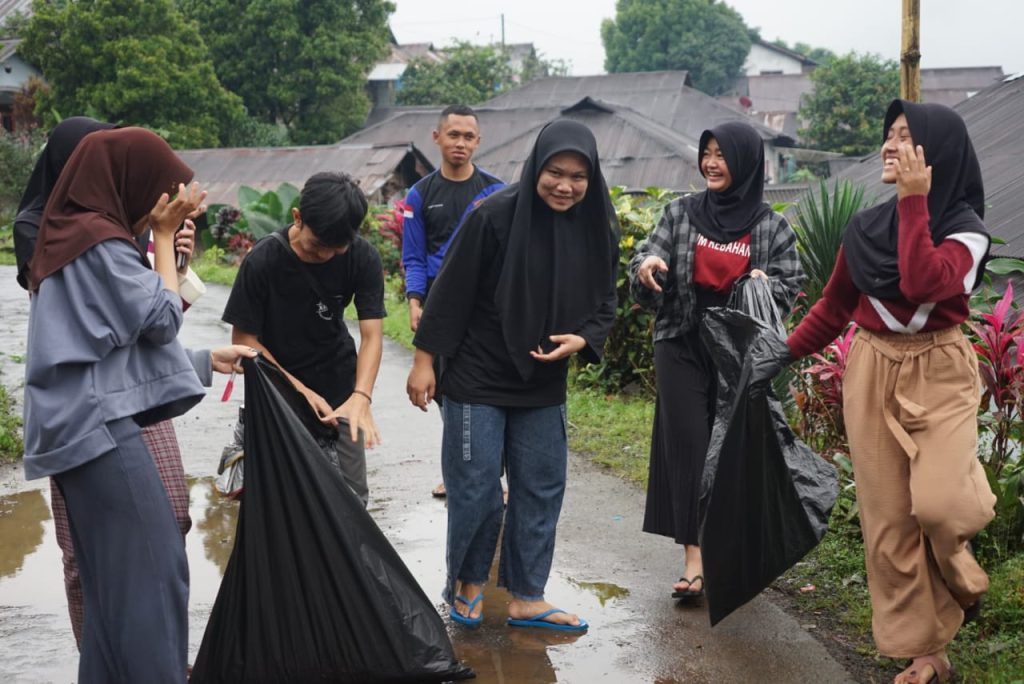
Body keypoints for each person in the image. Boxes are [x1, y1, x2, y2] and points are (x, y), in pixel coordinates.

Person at [752, 100, 994, 684]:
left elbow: (924, 281)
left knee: (941, 506)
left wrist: (913, 201)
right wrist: (781, 352)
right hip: (872, 366)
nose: (889, 146)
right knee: (888, 520)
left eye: (906, 137)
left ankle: (962, 575)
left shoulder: (966, 232)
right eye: (889, 135)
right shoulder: (863, 229)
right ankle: (926, 651)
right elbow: (835, 306)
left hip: (939, 368)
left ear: (937, 154)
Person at [22, 126, 255, 682]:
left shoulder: (67, 237)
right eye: (157, 190)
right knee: (156, 577)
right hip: (100, 431)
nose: (159, 205)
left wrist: (204, 360)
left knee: (110, 599)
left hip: (77, 427)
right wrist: (164, 238)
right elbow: (161, 319)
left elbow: (107, 355)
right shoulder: (98, 240)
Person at [406, 118, 618, 631]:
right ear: (536, 166)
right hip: (477, 372)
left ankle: (527, 596)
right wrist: (424, 362)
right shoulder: (494, 216)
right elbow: (450, 292)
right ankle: (468, 585)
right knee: (477, 488)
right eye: (554, 172)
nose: (565, 186)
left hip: (543, 377)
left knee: (541, 487)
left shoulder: (596, 224)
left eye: (578, 176)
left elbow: (606, 299)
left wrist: (584, 338)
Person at [13, 116, 205, 648]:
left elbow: (156, 316)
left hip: (135, 389)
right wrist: (158, 244)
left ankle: (144, 654)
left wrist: (170, 252)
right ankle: (109, 653)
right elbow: (145, 318)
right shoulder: (59, 231)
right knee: (91, 549)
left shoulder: (111, 223)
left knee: (169, 520)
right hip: (91, 406)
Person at [629, 121, 803, 601]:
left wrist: (766, 286)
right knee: (690, 445)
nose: (711, 163)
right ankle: (695, 559)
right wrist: (646, 267)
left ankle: (730, 548)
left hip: (738, 353)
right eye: (706, 152)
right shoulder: (680, 213)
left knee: (728, 451)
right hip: (681, 342)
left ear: (744, 162)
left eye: (722, 155)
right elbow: (646, 256)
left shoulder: (771, 226)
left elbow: (791, 285)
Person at [222, 171, 386, 505]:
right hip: (276, 393)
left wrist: (361, 396)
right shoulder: (263, 261)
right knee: (282, 499)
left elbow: (372, 336)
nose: (326, 256)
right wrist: (300, 390)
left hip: (340, 389)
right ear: (297, 216)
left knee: (351, 501)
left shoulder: (363, 257)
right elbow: (245, 339)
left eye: (337, 249)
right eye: (318, 246)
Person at [401, 104, 504, 498]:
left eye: (468, 137)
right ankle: (458, 472)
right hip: (439, 306)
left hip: (485, 308)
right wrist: (415, 301)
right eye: (453, 135)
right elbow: (413, 256)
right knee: (446, 391)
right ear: (437, 137)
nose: (460, 143)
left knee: (488, 388)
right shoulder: (418, 195)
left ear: (478, 142)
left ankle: (495, 475)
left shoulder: (496, 191)